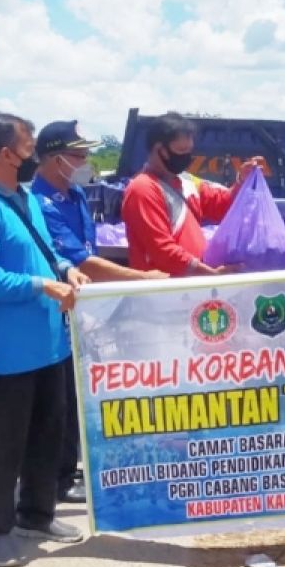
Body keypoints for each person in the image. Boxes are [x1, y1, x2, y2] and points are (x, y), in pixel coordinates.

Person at [0, 111, 84, 567]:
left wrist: (65, 270)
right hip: (7, 355)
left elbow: (47, 253)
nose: (34, 155)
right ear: (6, 154)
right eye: (29, 147)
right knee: (4, 445)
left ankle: (37, 513)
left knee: (48, 437)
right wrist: (41, 285)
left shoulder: (26, 199)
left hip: (50, 344)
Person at [32, 120, 168, 504]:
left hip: (87, 310)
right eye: (79, 155)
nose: (87, 161)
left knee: (79, 394)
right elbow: (83, 262)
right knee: (59, 400)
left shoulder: (74, 194)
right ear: (54, 158)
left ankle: (72, 465)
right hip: (58, 311)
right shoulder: (41, 204)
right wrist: (141, 277)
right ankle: (58, 477)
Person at [120, 112, 246, 276]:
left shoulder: (187, 182)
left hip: (190, 287)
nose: (187, 157)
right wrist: (207, 273)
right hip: (164, 291)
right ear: (160, 150)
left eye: (189, 151)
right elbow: (162, 249)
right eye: (181, 150)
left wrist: (242, 181)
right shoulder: (142, 189)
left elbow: (223, 206)